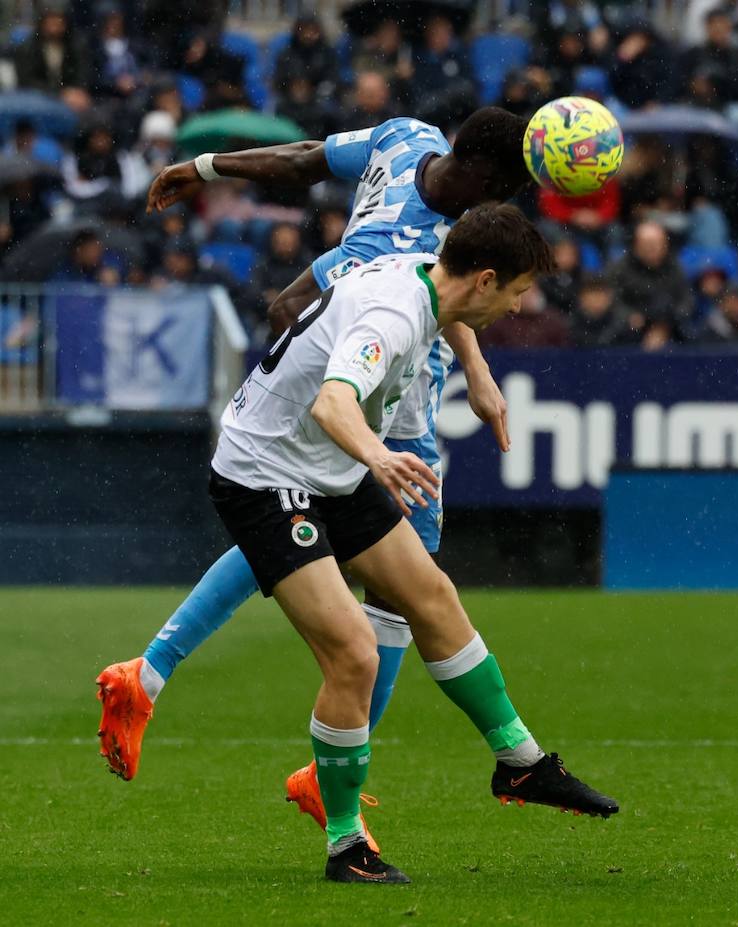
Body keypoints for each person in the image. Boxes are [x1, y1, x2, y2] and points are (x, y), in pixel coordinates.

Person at [97, 110, 530, 818]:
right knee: (407, 596)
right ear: (494, 179)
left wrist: (205, 168)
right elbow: (446, 287)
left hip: (329, 412)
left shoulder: (403, 142)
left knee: (292, 543)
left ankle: (149, 673)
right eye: (513, 187)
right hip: (394, 427)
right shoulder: (434, 243)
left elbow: (291, 285)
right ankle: (331, 780)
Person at [201, 206, 615, 882]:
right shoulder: (392, 319)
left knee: (432, 596)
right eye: (514, 293)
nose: (516, 308)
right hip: (266, 475)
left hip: (327, 466)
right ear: (485, 279)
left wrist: (477, 375)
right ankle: (345, 846)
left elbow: (449, 311)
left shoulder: (423, 273)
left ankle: (521, 764)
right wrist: (381, 456)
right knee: (355, 654)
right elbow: (333, 404)